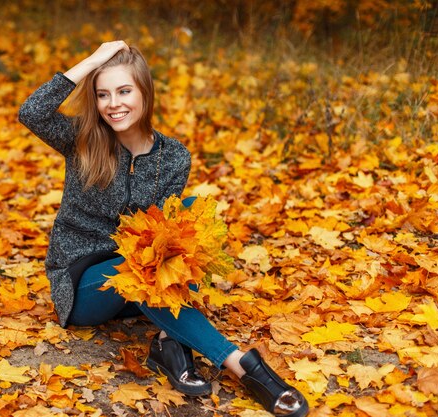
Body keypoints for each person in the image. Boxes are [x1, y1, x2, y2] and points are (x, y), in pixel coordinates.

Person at [18, 40, 309, 417]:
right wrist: (92, 61)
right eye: (103, 94)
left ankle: (170, 343)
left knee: (186, 218)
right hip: (85, 283)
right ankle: (241, 365)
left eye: (124, 91)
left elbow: (167, 238)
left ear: (144, 93)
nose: (113, 104)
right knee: (142, 263)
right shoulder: (83, 140)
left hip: (143, 278)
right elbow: (32, 112)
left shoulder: (173, 157)